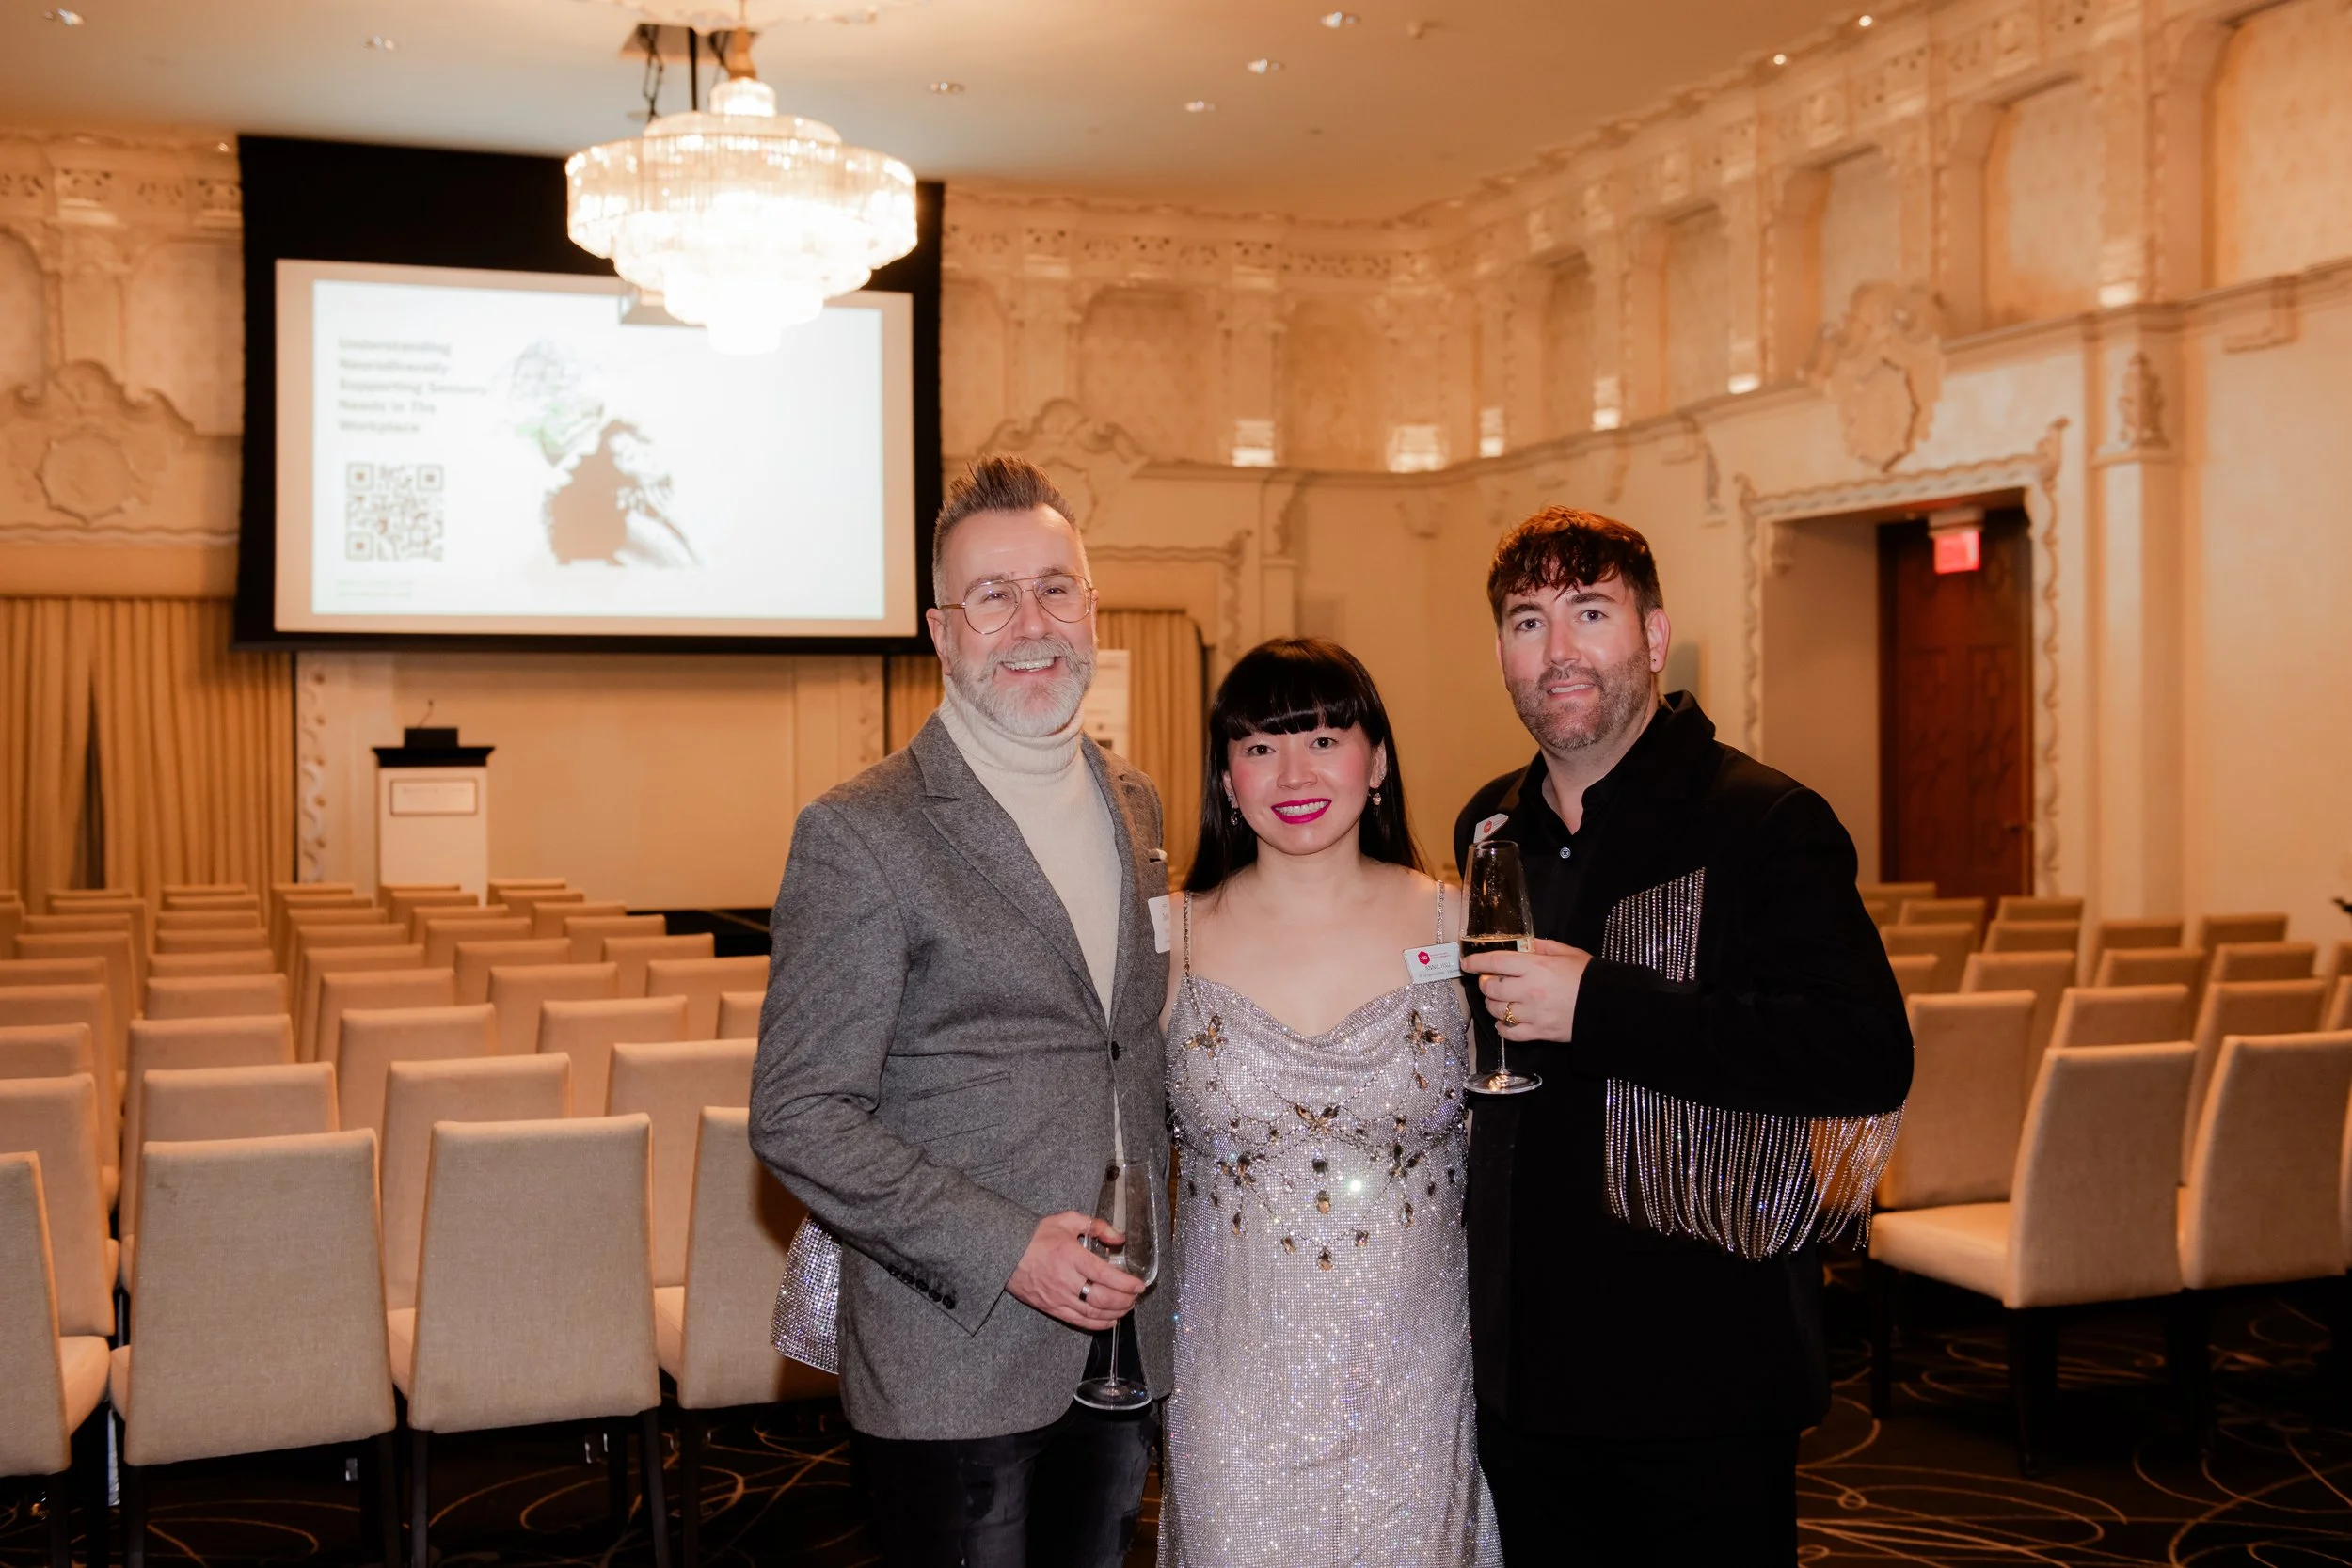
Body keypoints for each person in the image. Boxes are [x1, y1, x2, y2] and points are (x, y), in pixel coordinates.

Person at [1454, 507, 1913, 1565]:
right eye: (1528, 621)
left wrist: (1600, 1005)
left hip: (1697, 1361)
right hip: (1525, 1358)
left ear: (1652, 639)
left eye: (1589, 611)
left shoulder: (1759, 819)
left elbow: (1862, 1051)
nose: (1557, 650)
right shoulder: (1489, 825)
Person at [750, 455, 1172, 1568]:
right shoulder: (862, 831)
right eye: (993, 595)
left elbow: (1126, 1043)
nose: (1031, 621)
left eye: (1055, 587)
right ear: (944, 632)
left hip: (1124, 1329)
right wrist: (1003, 1247)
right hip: (955, 1348)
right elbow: (799, 1112)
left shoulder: (1138, 801)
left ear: (1092, 607)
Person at [1160, 637, 1503, 1568]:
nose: (1294, 771)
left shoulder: (1462, 919)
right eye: (1260, 746)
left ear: (1378, 759)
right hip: (1234, 1377)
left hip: (1416, 1369)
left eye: (1322, 737)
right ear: (1226, 778)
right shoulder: (1169, 933)